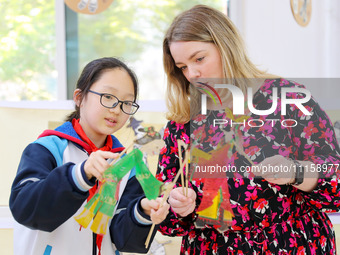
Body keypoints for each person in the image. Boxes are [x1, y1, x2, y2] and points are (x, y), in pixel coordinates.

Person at [156, 5, 340, 254]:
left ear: (226, 47)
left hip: (294, 245)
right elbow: (165, 219)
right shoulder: (182, 122)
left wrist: (295, 171)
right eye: (182, 67)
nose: (193, 74)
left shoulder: (288, 100)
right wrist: (178, 206)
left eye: (199, 59)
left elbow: (336, 186)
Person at [9, 57, 170, 255]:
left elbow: (123, 241)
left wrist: (141, 212)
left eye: (127, 102)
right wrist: (79, 175)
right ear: (79, 97)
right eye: (108, 96)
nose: (117, 109)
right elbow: (25, 210)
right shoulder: (47, 149)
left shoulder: (126, 165)